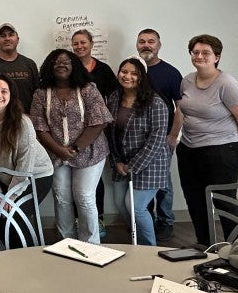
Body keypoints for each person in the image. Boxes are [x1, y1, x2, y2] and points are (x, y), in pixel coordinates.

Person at [176, 34, 238, 246]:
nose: (199, 56)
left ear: (216, 57)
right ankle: (205, 245)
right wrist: (173, 136)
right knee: (194, 200)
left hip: (221, 151)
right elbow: (181, 111)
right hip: (188, 149)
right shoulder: (187, 80)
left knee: (224, 201)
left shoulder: (227, 84)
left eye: (206, 53)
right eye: (195, 52)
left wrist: (229, 144)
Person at [30, 49, 112, 244]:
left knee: (84, 196)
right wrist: (60, 150)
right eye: (56, 61)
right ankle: (66, 242)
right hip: (56, 154)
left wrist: (75, 149)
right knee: (62, 197)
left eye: (66, 61)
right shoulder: (41, 94)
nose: (61, 64)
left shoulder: (88, 89)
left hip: (90, 153)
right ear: (49, 66)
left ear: (74, 65)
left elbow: (100, 121)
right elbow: (39, 127)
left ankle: (91, 245)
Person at [0, 74, 54, 246]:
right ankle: (10, 259)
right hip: (2, 179)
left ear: (11, 96)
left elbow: (25, 167)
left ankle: (29, 259)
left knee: (15, 216)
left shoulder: (23, 123)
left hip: (36, 175)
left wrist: (9, 198)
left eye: (4, 91)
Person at [104, 58, 170, 246]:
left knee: (136, 207)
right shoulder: (114, 98)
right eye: (124, 71)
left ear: (142, 77)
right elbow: (110, 133)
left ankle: (149, 248)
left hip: (151, 163)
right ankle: (138, 240)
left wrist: (133, 166)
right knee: (120, 204)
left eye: (134, 73)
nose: (128, 76)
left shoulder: (155, 102)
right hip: (121, 161)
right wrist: (116, 161)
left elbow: (156, 140)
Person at [136, 28, 183, 241]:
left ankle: (165, 222)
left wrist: (173, 135)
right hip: (139, 139)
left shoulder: (170, 73)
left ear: (159, 45)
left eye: (151, 41)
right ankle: (147, 220)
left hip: (163, 137)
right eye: (142, 41)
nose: (146, 45)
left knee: (163, 182)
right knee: (143, 182)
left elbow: (180, 108)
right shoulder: (134, 71)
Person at [72, 29, 119, 238]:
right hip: (73, 134)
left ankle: (97, 218)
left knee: (94, 179)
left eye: (83, 42)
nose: (80, 47)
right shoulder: (70, 69)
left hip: (97, 131)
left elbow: (114, 96)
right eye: (76, 44)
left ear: (91, 44)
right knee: (75, 181)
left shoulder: (103, 70)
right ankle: (77, 219)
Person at [0, 23, 39, 112]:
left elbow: (38, 95)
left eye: (11, 35)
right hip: (0, 119)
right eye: (3, 36)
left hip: (27, 118)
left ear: (17, 39)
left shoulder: (30, 64)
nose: (7, 38)